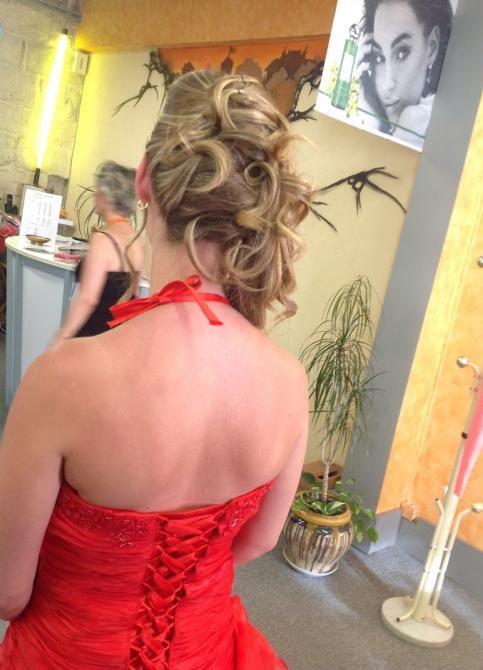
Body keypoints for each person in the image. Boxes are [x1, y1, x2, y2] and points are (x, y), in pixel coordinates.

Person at [0, 70, 312, 668]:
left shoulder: (64, 380)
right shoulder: (289, 383)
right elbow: (259, 541)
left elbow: (7, 593)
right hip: (207, 651)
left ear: (144, 178)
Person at [53, 161, 145, 344]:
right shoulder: (136, 239)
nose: (94, 194)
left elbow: (87, 300)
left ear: (105, 197)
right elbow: (134, 293)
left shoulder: (102, 240)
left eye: (97, 190)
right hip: (117, 338)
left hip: (92, 338)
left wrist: (61, 339)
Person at [356, 0, 453, 145]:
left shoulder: (413, 118)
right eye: (378, 58)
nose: (387, 84)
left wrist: (374, 125)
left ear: (431, 47)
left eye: (402, 53)